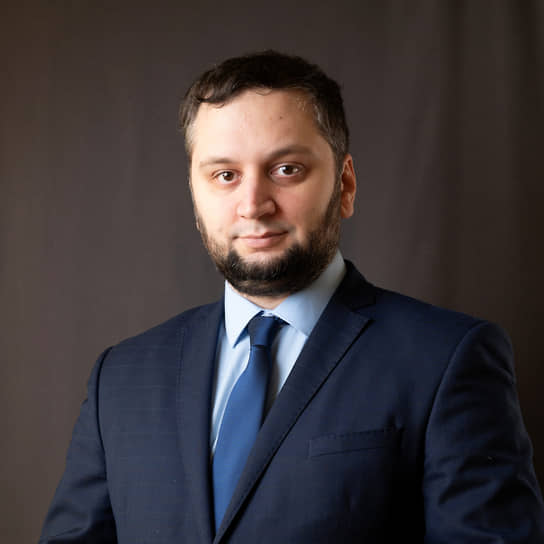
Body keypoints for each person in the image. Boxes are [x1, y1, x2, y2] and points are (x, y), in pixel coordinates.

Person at [40, 51, 544, 543]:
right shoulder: (120, 378)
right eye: (225, 175)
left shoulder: (447, 359)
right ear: (195, 194)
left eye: (286, 169)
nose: (253, 205)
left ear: (345, 184)